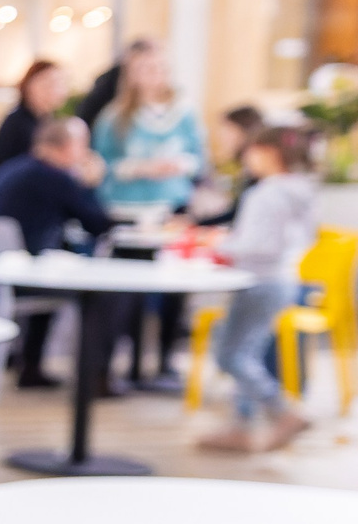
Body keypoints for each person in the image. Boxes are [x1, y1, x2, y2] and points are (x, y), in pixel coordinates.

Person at [200, 127, 319, 453]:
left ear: (269, 152)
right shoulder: (302, 190)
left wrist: (219, 243)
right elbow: (305, 238)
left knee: (231, 355)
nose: (246, 158)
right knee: (247, 353)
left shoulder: (264, 194)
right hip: (283, 278)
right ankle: (241, 425)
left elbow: (257, 244)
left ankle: (282, 410)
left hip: (256, 279)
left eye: (251, 151)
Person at [93, 40, 203, 389]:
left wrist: (176, 165)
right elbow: (101, 164)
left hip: (170, 211)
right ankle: (114, 369)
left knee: (173, 292)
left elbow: (199, 158)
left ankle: (164, 364)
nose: (152, 75)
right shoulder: (114, 117)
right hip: (127, 213)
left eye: (157, 68)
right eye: (143, 68)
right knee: (125, 295)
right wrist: (139, 168)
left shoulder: (184, 113)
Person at [0, 117, 113, 388]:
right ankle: (94, 377)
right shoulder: (54, 177)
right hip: (22, 276)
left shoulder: (14, 168)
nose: (86, 154)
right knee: (99, 294)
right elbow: (97, 223)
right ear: (66, 147)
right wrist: (91, 183)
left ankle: (30, 365)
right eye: (82, 146)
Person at [0, 59, 67, 173]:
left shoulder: (48, 120)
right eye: (48, 85)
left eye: (59, 84)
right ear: (29, 85)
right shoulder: (17, 122)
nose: (55, 90)